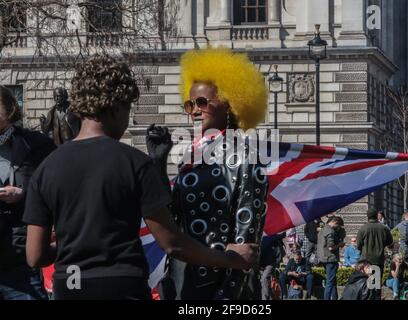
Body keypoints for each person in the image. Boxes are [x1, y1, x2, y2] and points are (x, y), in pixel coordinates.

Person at [22, 55, 259, 300]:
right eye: (128, 110)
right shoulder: (134, 163)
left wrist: (77, 244)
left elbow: (35, 255)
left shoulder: (46, 168)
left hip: (68, 285)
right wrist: (228, 258)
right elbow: (171, 242)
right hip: (122, 285)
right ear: (116, 108)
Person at [151, 47, 269, 300]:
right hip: (183, 280)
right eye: (190, 104)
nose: (195, 110)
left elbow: (245, 246)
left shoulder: (247, 158)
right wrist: (158, 165)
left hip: (222, 287)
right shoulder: (189, 160)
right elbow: (169, 219)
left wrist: (225, 297)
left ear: (229, 103)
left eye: (203, 102)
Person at [0, 86, 56, 300]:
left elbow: (52, 192)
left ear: (9, 108)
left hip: (20, 257)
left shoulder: (37, 146)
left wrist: (23, 195)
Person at [356, 208, 393, 299]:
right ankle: (376, 298)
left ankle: (368, 297)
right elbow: (390, 242)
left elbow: (358, 245)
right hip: (378, 259)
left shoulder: (363, 228)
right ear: (377, 215)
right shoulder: (384, 228)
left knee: (367, 281)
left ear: (367, 216)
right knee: (377, 282)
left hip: (365, 260)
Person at [317, 216, 345, 300]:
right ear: (335, 222)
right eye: (338, 225)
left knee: (332, 281)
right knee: (329, 282)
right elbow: (331, 247)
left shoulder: (323, 229)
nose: (338, 227)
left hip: (323, 258)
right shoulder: (330, 232)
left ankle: (335, 298)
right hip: (330, 259)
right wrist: (340, 245)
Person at [259, 232, 285, 300]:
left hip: (271, 261)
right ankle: (270, 297)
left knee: (264, 278)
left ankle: (265, 298)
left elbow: (282, 234)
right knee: (264, 281)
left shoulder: (271, 232)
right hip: (260, 261)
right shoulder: (258, 232)